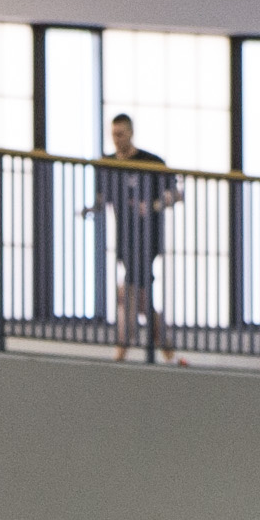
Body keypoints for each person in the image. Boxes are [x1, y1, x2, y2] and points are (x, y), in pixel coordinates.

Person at [91, 113, 183, 366]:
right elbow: (102, 198)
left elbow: (176, 194)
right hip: (124, 240)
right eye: (114, 134)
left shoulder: (151, 162)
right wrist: (92, 209)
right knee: (143, 299)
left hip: (147, 239)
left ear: (131, 133)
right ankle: (167, 349)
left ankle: (122, 347)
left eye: (121, 134)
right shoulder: (108, 164)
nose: (117, 139)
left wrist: (152, 205)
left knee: (127, 292)